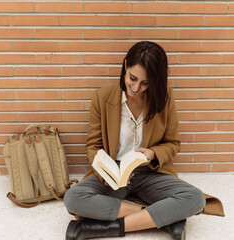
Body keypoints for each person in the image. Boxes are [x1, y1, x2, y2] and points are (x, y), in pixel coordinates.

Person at [64, 41, 219, 240]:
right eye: (133, 78)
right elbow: (93, 146)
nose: (136, 88)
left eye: (145, 83)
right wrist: (105, 173)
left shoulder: (165, 99)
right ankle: (160, 218)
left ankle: (103, 229)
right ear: (126, 65)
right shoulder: (102, 98)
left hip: (151, 173)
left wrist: (153, 153)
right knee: (73, 199)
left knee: (195, 199)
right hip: (114, 175)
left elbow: (173, 143)